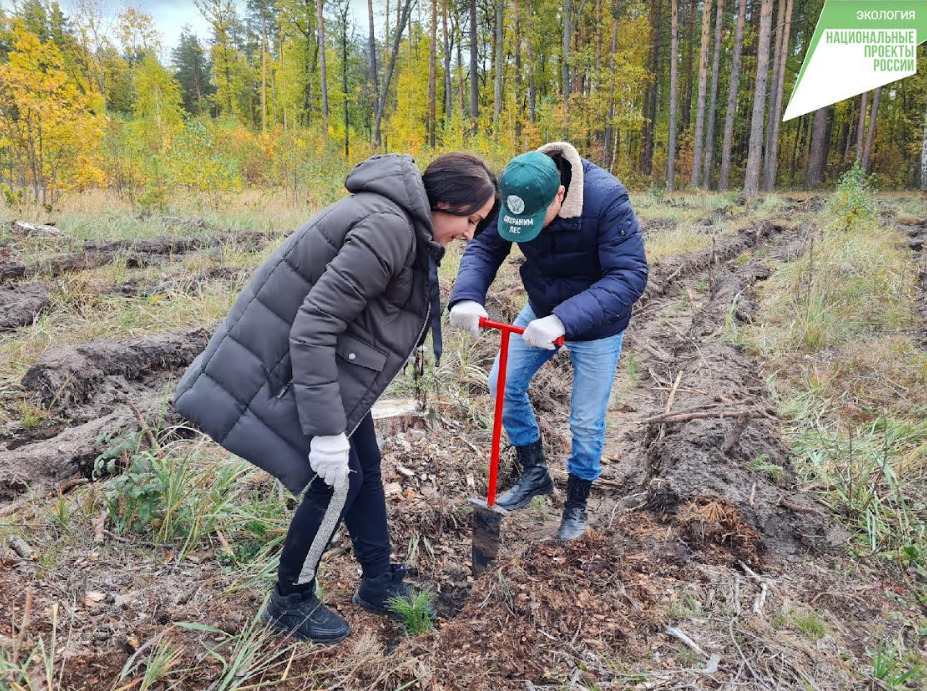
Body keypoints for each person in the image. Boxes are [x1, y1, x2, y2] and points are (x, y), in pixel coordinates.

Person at [173, 152, 498, 644]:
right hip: (292, 371)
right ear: (445, 201)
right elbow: (313, 326)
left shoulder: (396, 221)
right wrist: (327, 431)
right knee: (338, 479)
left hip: (328, 374)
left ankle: (376, 583)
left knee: (364, 465)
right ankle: (290, 599)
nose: (470, 234)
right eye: (470, 220)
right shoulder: (387, 229)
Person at [447, 142, 648, 540]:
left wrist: (564, 320)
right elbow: (486, 244)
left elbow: (629, 276)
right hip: (541, 307)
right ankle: (535, 473)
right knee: (502, 384)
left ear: (560, 194)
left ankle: (576, 504)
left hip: (597, 322)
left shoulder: (606, 199)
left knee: (586, 421)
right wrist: (467, 295)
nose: (530, 232)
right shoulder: (517, 190)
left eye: (539, 220)